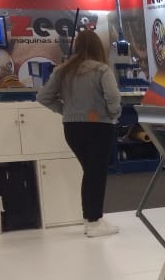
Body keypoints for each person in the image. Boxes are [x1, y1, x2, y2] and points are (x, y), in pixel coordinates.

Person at [37, 29, 122, 237]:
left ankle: (91, 218)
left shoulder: (62, 71)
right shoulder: (102, 70)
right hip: (99, 126)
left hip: (72, 128)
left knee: (90, 172)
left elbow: (43, 97)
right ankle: (93, 222)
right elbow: (113, 96)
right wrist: (113, 114)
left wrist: (65, 111)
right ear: (98, 46)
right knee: (96, 174)